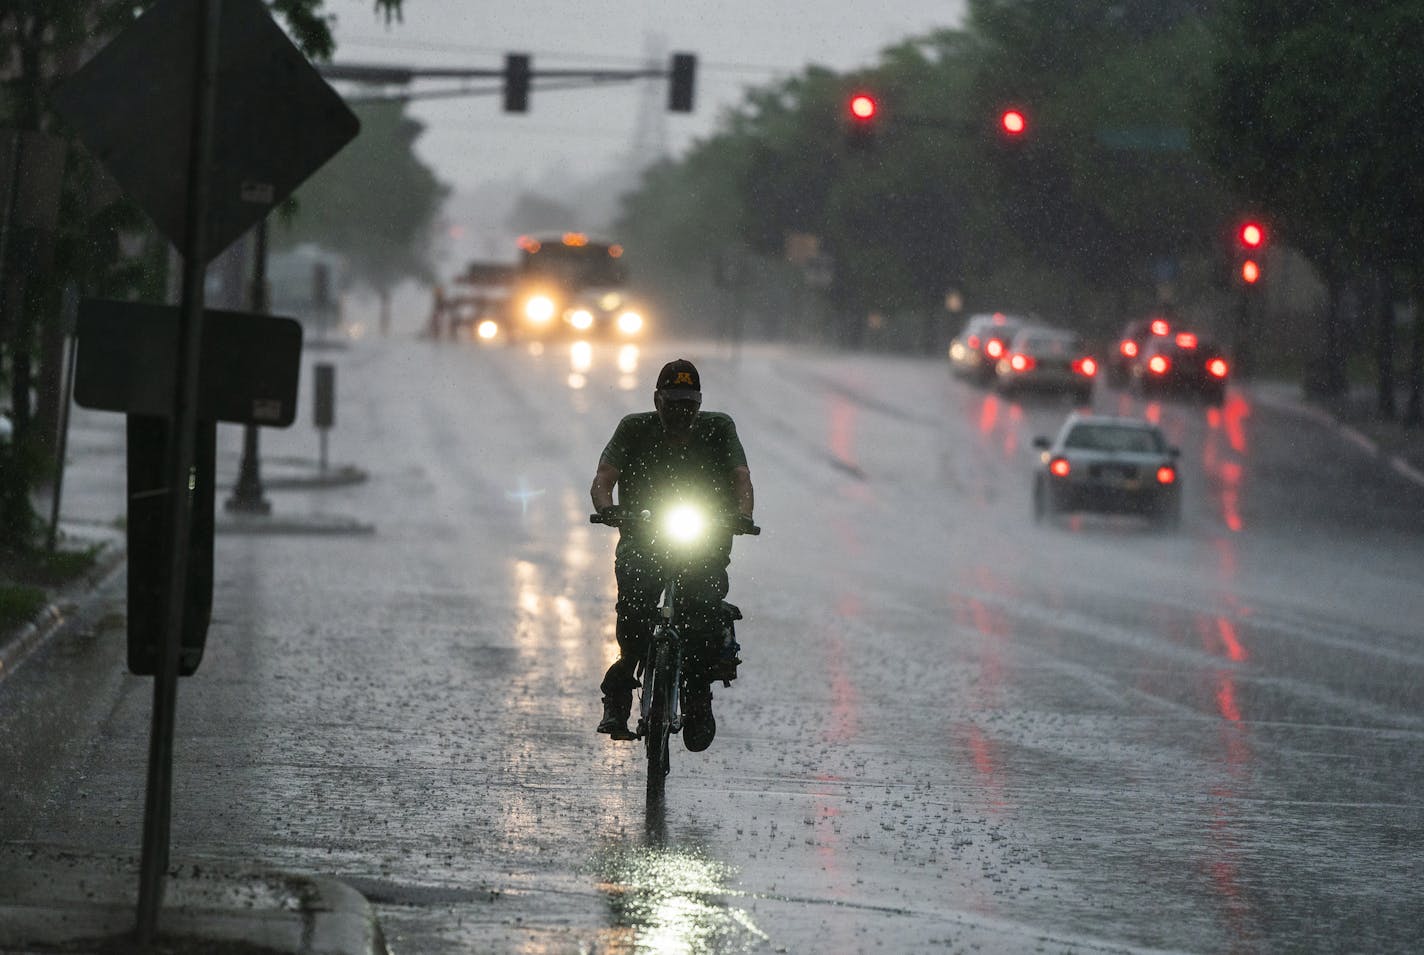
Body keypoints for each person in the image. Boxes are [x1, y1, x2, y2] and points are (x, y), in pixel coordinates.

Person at [590, 358, 755, 751]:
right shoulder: (634, 428)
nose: (681, 412)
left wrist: (743, 515)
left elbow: (741, 478)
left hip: (704, 537)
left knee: (702, 612)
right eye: (672, 403)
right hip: (642, 536)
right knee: (633, 612)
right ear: (656, 401)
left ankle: (698, 696)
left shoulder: (719, 428)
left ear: (699, 404)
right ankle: (620, 692)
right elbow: (604, 477)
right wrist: (606, 506)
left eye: (689, 404)